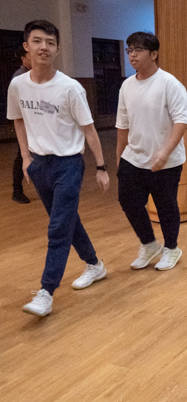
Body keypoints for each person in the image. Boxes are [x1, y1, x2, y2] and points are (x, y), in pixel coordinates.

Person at [8, 20, 110, 317]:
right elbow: (17, 120)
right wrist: (26, 158)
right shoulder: (18, 85)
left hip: (68, 164)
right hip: (39, 165)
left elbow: (90, 130)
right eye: (38, 41)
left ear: (57, 49)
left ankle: (46, 291)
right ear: (26, 46)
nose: (44, 47)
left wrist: (101, 167)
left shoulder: (70, 88)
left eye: (50, 43)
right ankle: (94, 265)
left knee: (57, 228)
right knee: (66, 221)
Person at [116, 32, 187, 271]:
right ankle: (149, 244)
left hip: (165, 160)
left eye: (138, 50)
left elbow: (181, 121)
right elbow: (122, 125)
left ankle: (171, 248)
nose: (132, 55)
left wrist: (165, 152)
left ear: (154, 54)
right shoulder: (127, 85)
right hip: (133, 157)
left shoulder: (169, 83)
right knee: (128, 201)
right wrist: (119, 159)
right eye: (129, 50)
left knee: (166, 206)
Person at [10, 46, 32, 204]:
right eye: (30, 56)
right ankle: (17, 190)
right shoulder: (19, 78)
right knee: (21, 156)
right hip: (25, 125)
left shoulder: (35, 76)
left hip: (36, 124)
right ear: (23, 58)